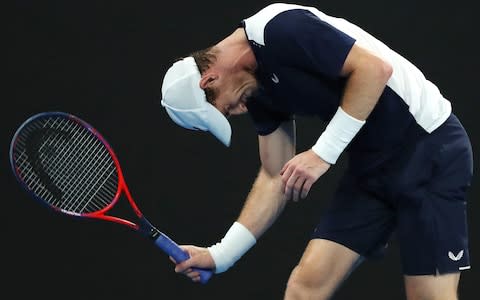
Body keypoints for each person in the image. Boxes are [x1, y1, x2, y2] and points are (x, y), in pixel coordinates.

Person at [159, 3, 473, 299]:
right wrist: (221, 254)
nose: (238, 110)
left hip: (430, 149)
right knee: (303, 289)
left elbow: (375, 70)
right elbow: (274, 174)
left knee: (430, 296)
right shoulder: (252, 87)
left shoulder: (282, 29)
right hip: (371, 167)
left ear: (209, 79)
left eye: (226, 109)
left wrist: (321, 154)